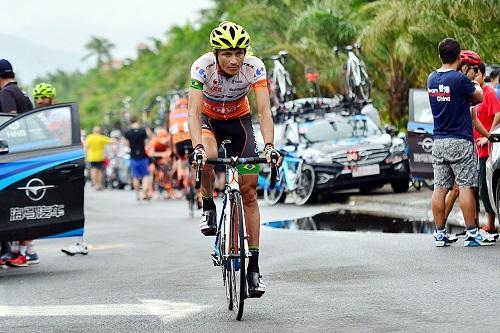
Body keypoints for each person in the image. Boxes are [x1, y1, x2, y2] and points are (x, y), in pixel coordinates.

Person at [188, 21, 281, 297]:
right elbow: (192, 113)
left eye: (238, 53)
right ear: (215, 54)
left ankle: (253, 268)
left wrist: (269, 146)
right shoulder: (201, 67)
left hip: (240, 122)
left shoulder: (255, 67)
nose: (233, 60)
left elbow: (264, 111)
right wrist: (197, 148)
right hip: (209, 120)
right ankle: (208, 205)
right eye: (227, 54)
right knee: (209, 157)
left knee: (249, 191)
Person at [428, 39, 495, 247]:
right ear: (459, 57)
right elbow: (478, 97)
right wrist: (475, 85)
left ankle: (439, 234)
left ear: (440, 56)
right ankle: (472, 233)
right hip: (460, 140)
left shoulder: (431, 78)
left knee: (440, 188)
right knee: (466, 186)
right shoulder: (459, 79)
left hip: (439, 141)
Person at [473, 63, 500, 236]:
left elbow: (498, 113)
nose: (474, 78)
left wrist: (488, 135)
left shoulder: (489, 93)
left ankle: (491, 224)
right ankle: (483, 224)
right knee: (478, 188)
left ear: (483, 75)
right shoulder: (474, 95)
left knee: (485, 188)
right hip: (475, 149)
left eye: (476, 75)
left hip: (487, 149)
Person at [125, 116, 150, 200]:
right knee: (145, 175)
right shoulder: (143, 131)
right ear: (137, 121)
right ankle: (144, 193)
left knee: (135, 176)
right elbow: (146, 143)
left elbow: (127, 145)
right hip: (143, 156)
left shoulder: (128, 132)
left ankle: (138, 195)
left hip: (133, 156)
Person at [85, 126, 112, 191]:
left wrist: (86, 155)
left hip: (91, 157)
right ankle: (99, 185)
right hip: (100, 157)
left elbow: (86, 146)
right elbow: (111, 141)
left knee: (93, 171)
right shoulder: (101, 137)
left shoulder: (89, 137)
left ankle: (95, 184)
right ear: (99, 131)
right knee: (100, 171)